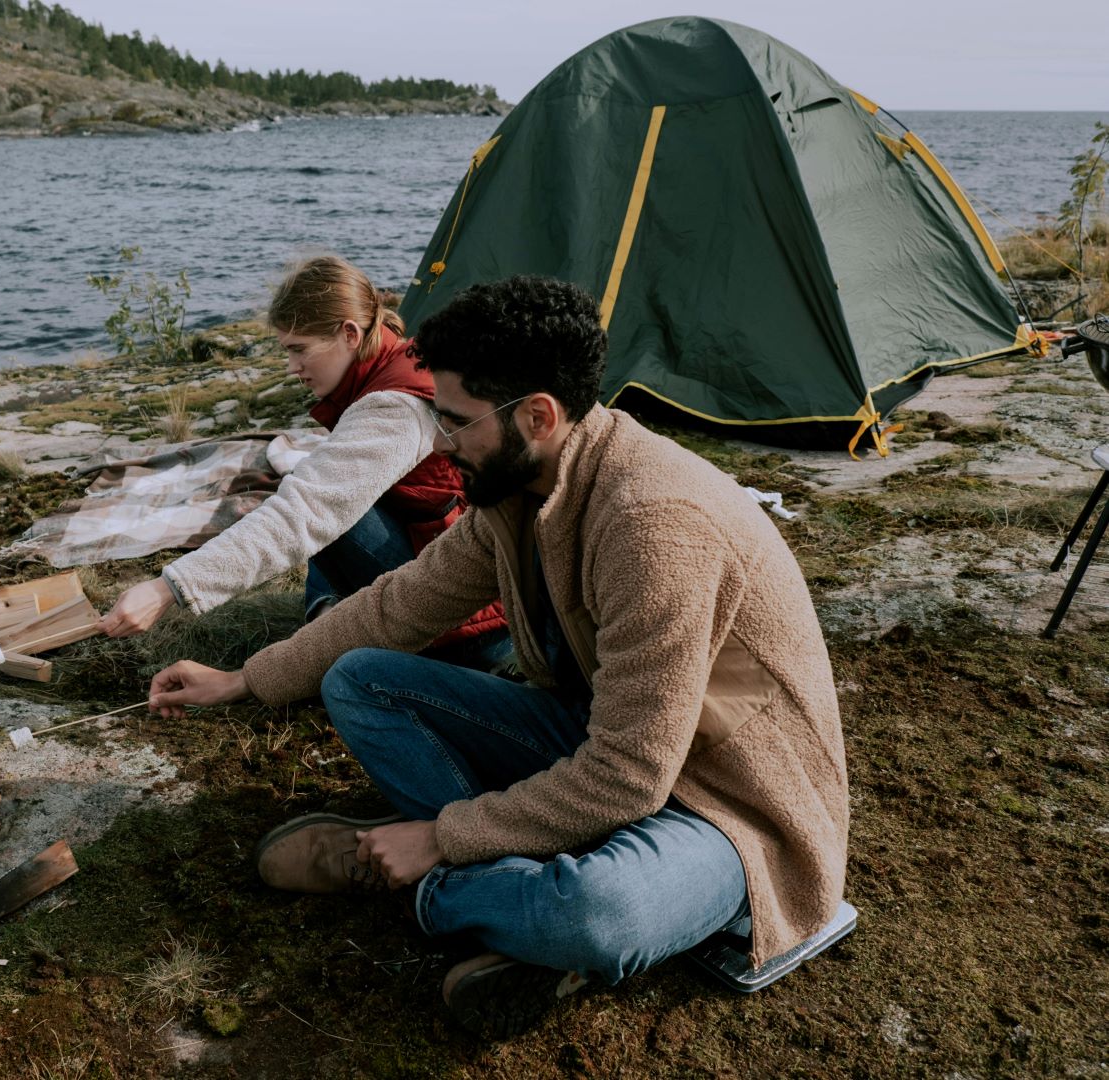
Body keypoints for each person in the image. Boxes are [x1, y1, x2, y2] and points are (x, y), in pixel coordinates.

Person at [145, 276, 849, 1038]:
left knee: (597, 912)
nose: (442, 442)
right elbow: (399, 603)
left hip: (729, 800)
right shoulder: (522, 487)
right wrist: (247, 679)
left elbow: (631, 776)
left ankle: (437, 886)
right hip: (602, 741)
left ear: (537, 416)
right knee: (360, 679)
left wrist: (440, 838)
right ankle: (511, 895)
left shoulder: (653, 524)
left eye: (454, 420)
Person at [99, 254, 507, 668]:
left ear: (349, 333)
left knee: (316, 501)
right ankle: (330, 618)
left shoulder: (396, 407)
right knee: (321, 484)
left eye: (300, 350)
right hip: (452, 569)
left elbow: (304, 513)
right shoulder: (394, 363)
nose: (293, 367)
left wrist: (167, 589)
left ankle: (342, 634)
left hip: (471, 626)